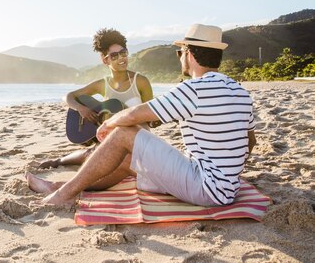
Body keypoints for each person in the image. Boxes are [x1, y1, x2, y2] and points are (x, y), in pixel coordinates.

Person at [28, 24, 257, 207]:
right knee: (129, 157)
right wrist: (225, 169)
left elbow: (137, 114)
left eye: (180, 53)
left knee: (122, 134)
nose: (180, 58)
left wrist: (109, 124)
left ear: (190, 54)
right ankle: (59, 185)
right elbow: (250, 142)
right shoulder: (239, 90)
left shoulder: (193, 89)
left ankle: (63, 195)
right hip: (224, 187)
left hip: (205, 188)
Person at [37, 28, 153, 170]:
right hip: (111, 140)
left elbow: (152, 118)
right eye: (114, 56)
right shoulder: (102, 84)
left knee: (106, 157)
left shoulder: (140, 81)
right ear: (105, 60)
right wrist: (81, 109)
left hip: (139, 138)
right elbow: (69, 96)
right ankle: (59, 161)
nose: (121, 58)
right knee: (94, 152)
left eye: (123, 53)